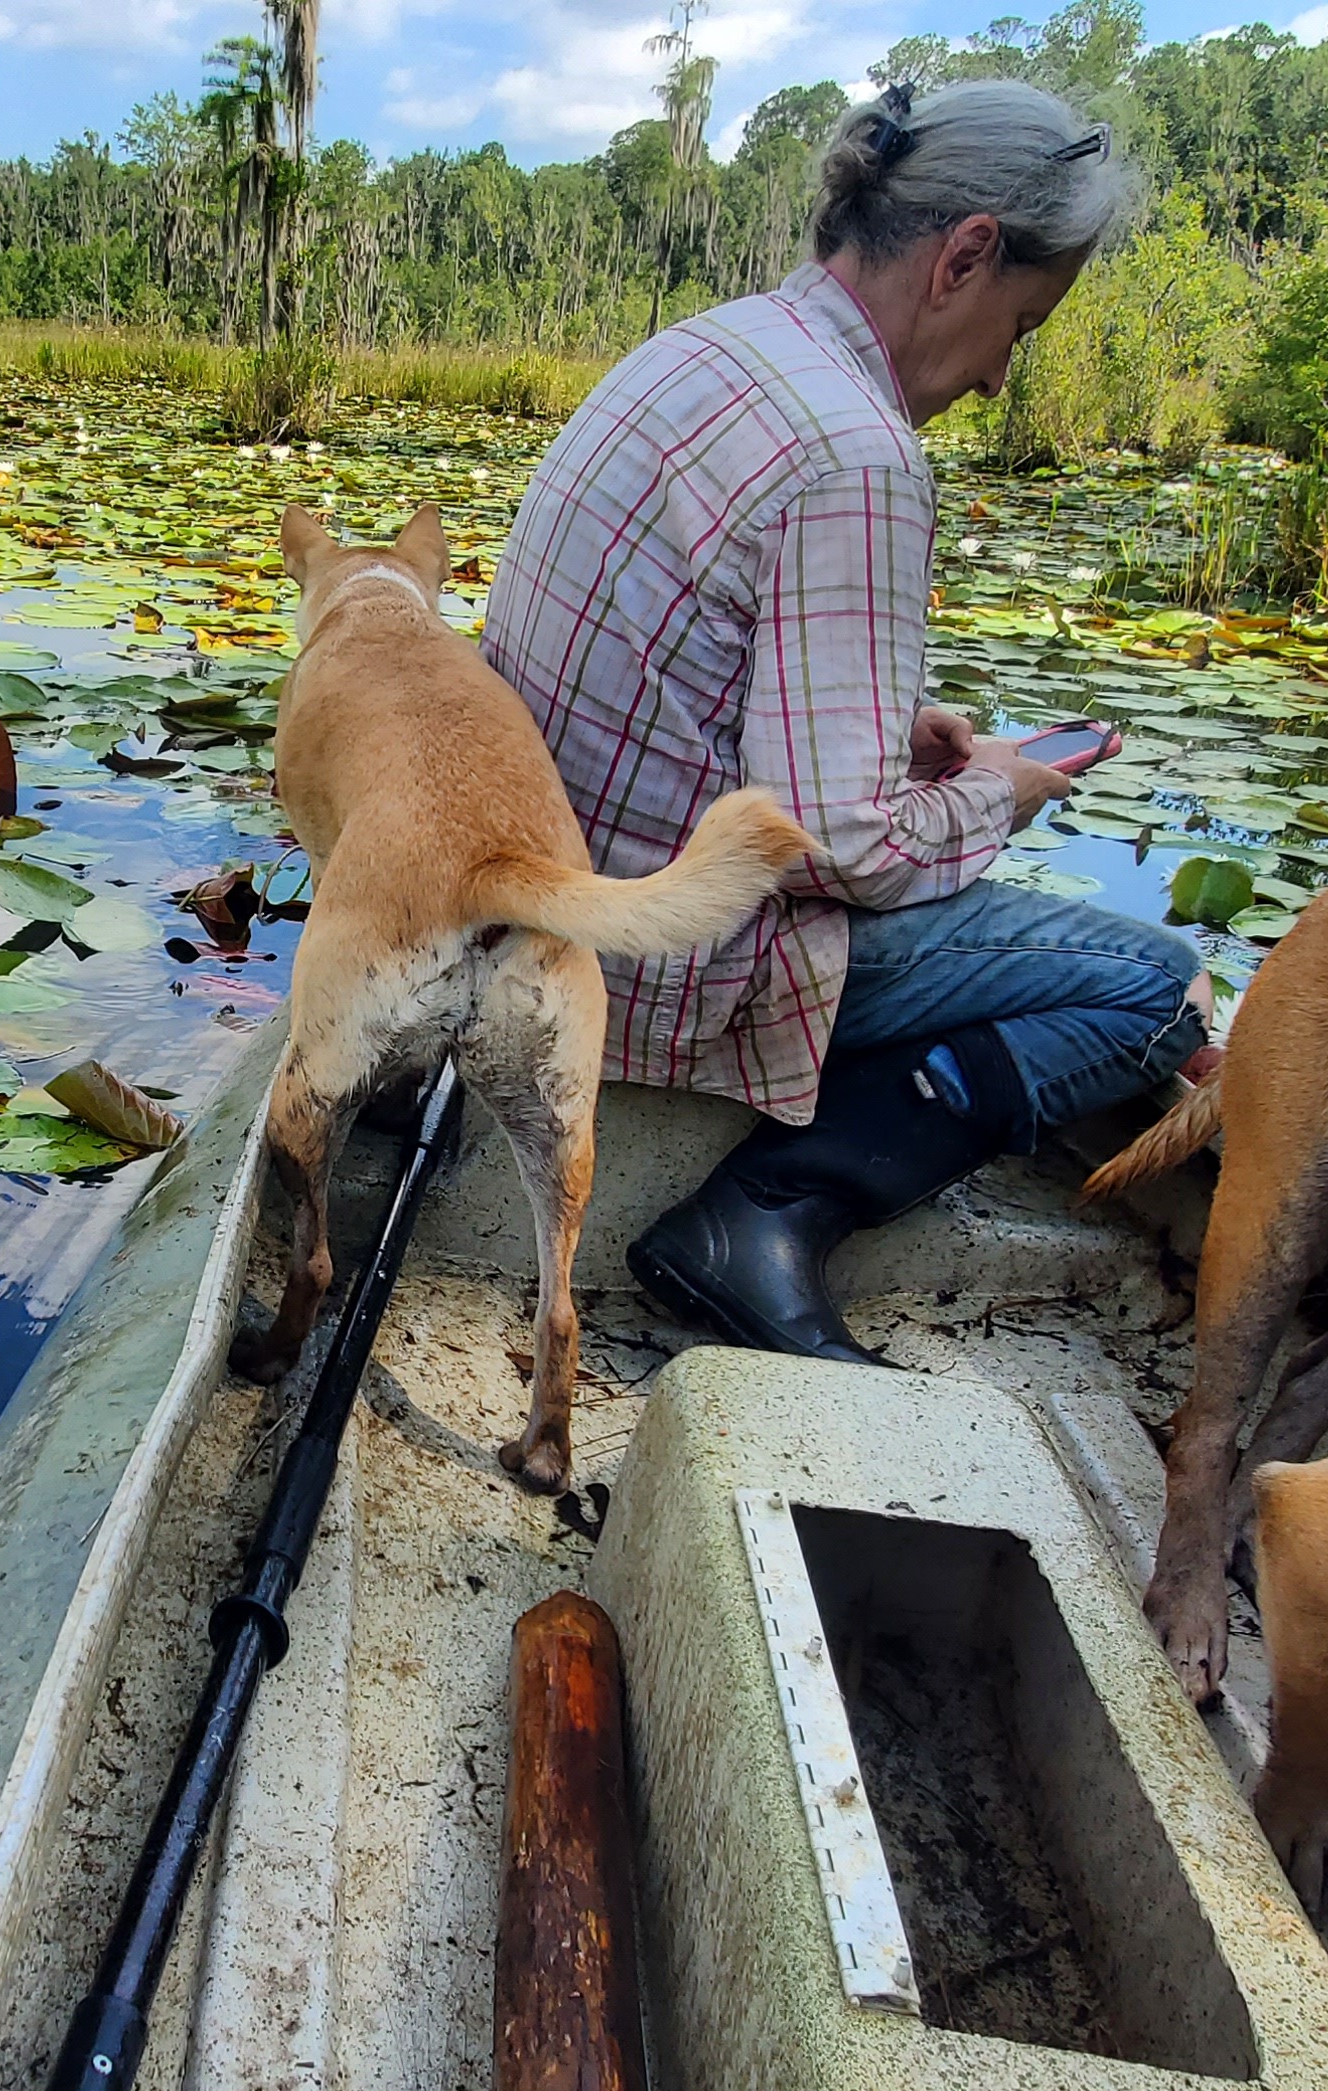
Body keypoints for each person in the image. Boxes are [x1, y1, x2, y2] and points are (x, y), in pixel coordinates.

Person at [480, 78, 1209, 1369]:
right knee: (1152, 991)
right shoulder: (855, 453)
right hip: (663, 949)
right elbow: (854, 852)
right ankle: (762, 1216)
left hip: (532, 889)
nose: (996, 377)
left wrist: (892, 725)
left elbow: (678, 645)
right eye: (1021, 325)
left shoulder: (715, 345)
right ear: (967, 253)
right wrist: (1001, 788)